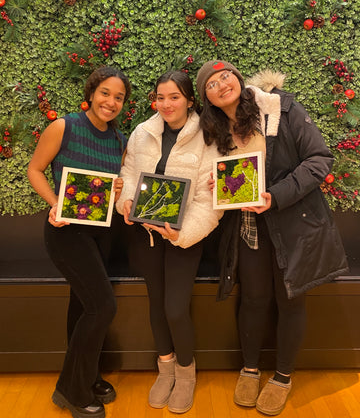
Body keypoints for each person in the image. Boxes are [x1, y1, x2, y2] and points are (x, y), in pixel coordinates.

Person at [196, 61, 348, 416]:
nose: (221, 84)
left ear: (237, 78)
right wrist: (217, 185)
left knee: (290, 301)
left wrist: (275, 195)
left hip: (293, 225)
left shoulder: (282, 108)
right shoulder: (215, 129)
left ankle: (282, 376)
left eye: (225, 76)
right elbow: (230, 178)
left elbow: (319, 159)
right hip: (247, 229)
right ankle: (250, 369)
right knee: (253, 299)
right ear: (207, 99)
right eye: (211, 84)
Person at [116, 70, 222, 414]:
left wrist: (183, 234)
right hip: (145, 236)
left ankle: (186, 373)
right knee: (156, 305)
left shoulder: (207, 136)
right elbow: (129, 176)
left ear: (190, 100)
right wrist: (126, 203)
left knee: (176, 308)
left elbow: (211, 199)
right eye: (160, 97)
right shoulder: (142, 132)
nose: (166, 104)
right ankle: (165, 368)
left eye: (174, 97)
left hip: (183, 238)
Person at [27, 66, 131, 418]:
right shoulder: (64, 127)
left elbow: (111, 187)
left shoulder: (119, 139)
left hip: (101, 233)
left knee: (84, 306)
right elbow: (35, 170)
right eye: (106, 93)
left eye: (118, 97)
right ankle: (71, 391)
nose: (111, 102)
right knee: (103, 307)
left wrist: (117, 188)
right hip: (66, 232)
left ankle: (88, 376)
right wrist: (55, 202)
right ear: (91, 93)